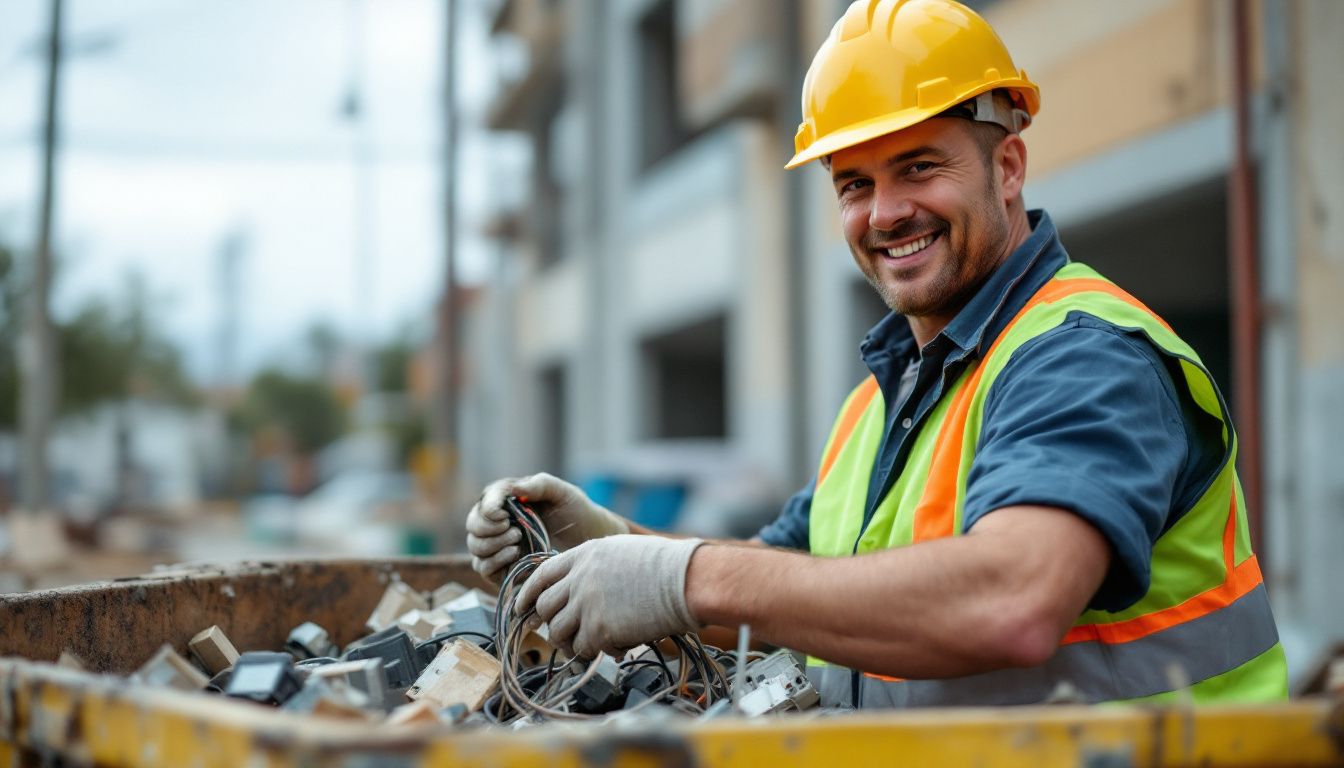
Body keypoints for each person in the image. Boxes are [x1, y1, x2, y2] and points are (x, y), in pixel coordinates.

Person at [467, 0, 1287, 708]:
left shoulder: (1083, 355)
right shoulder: (884, 395)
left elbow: (1014, 599)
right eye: (853, 183)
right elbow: (792, 579)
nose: (886, 212)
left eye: (918, 167)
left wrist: (678, 578)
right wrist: (609, 540)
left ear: (1007, 167)